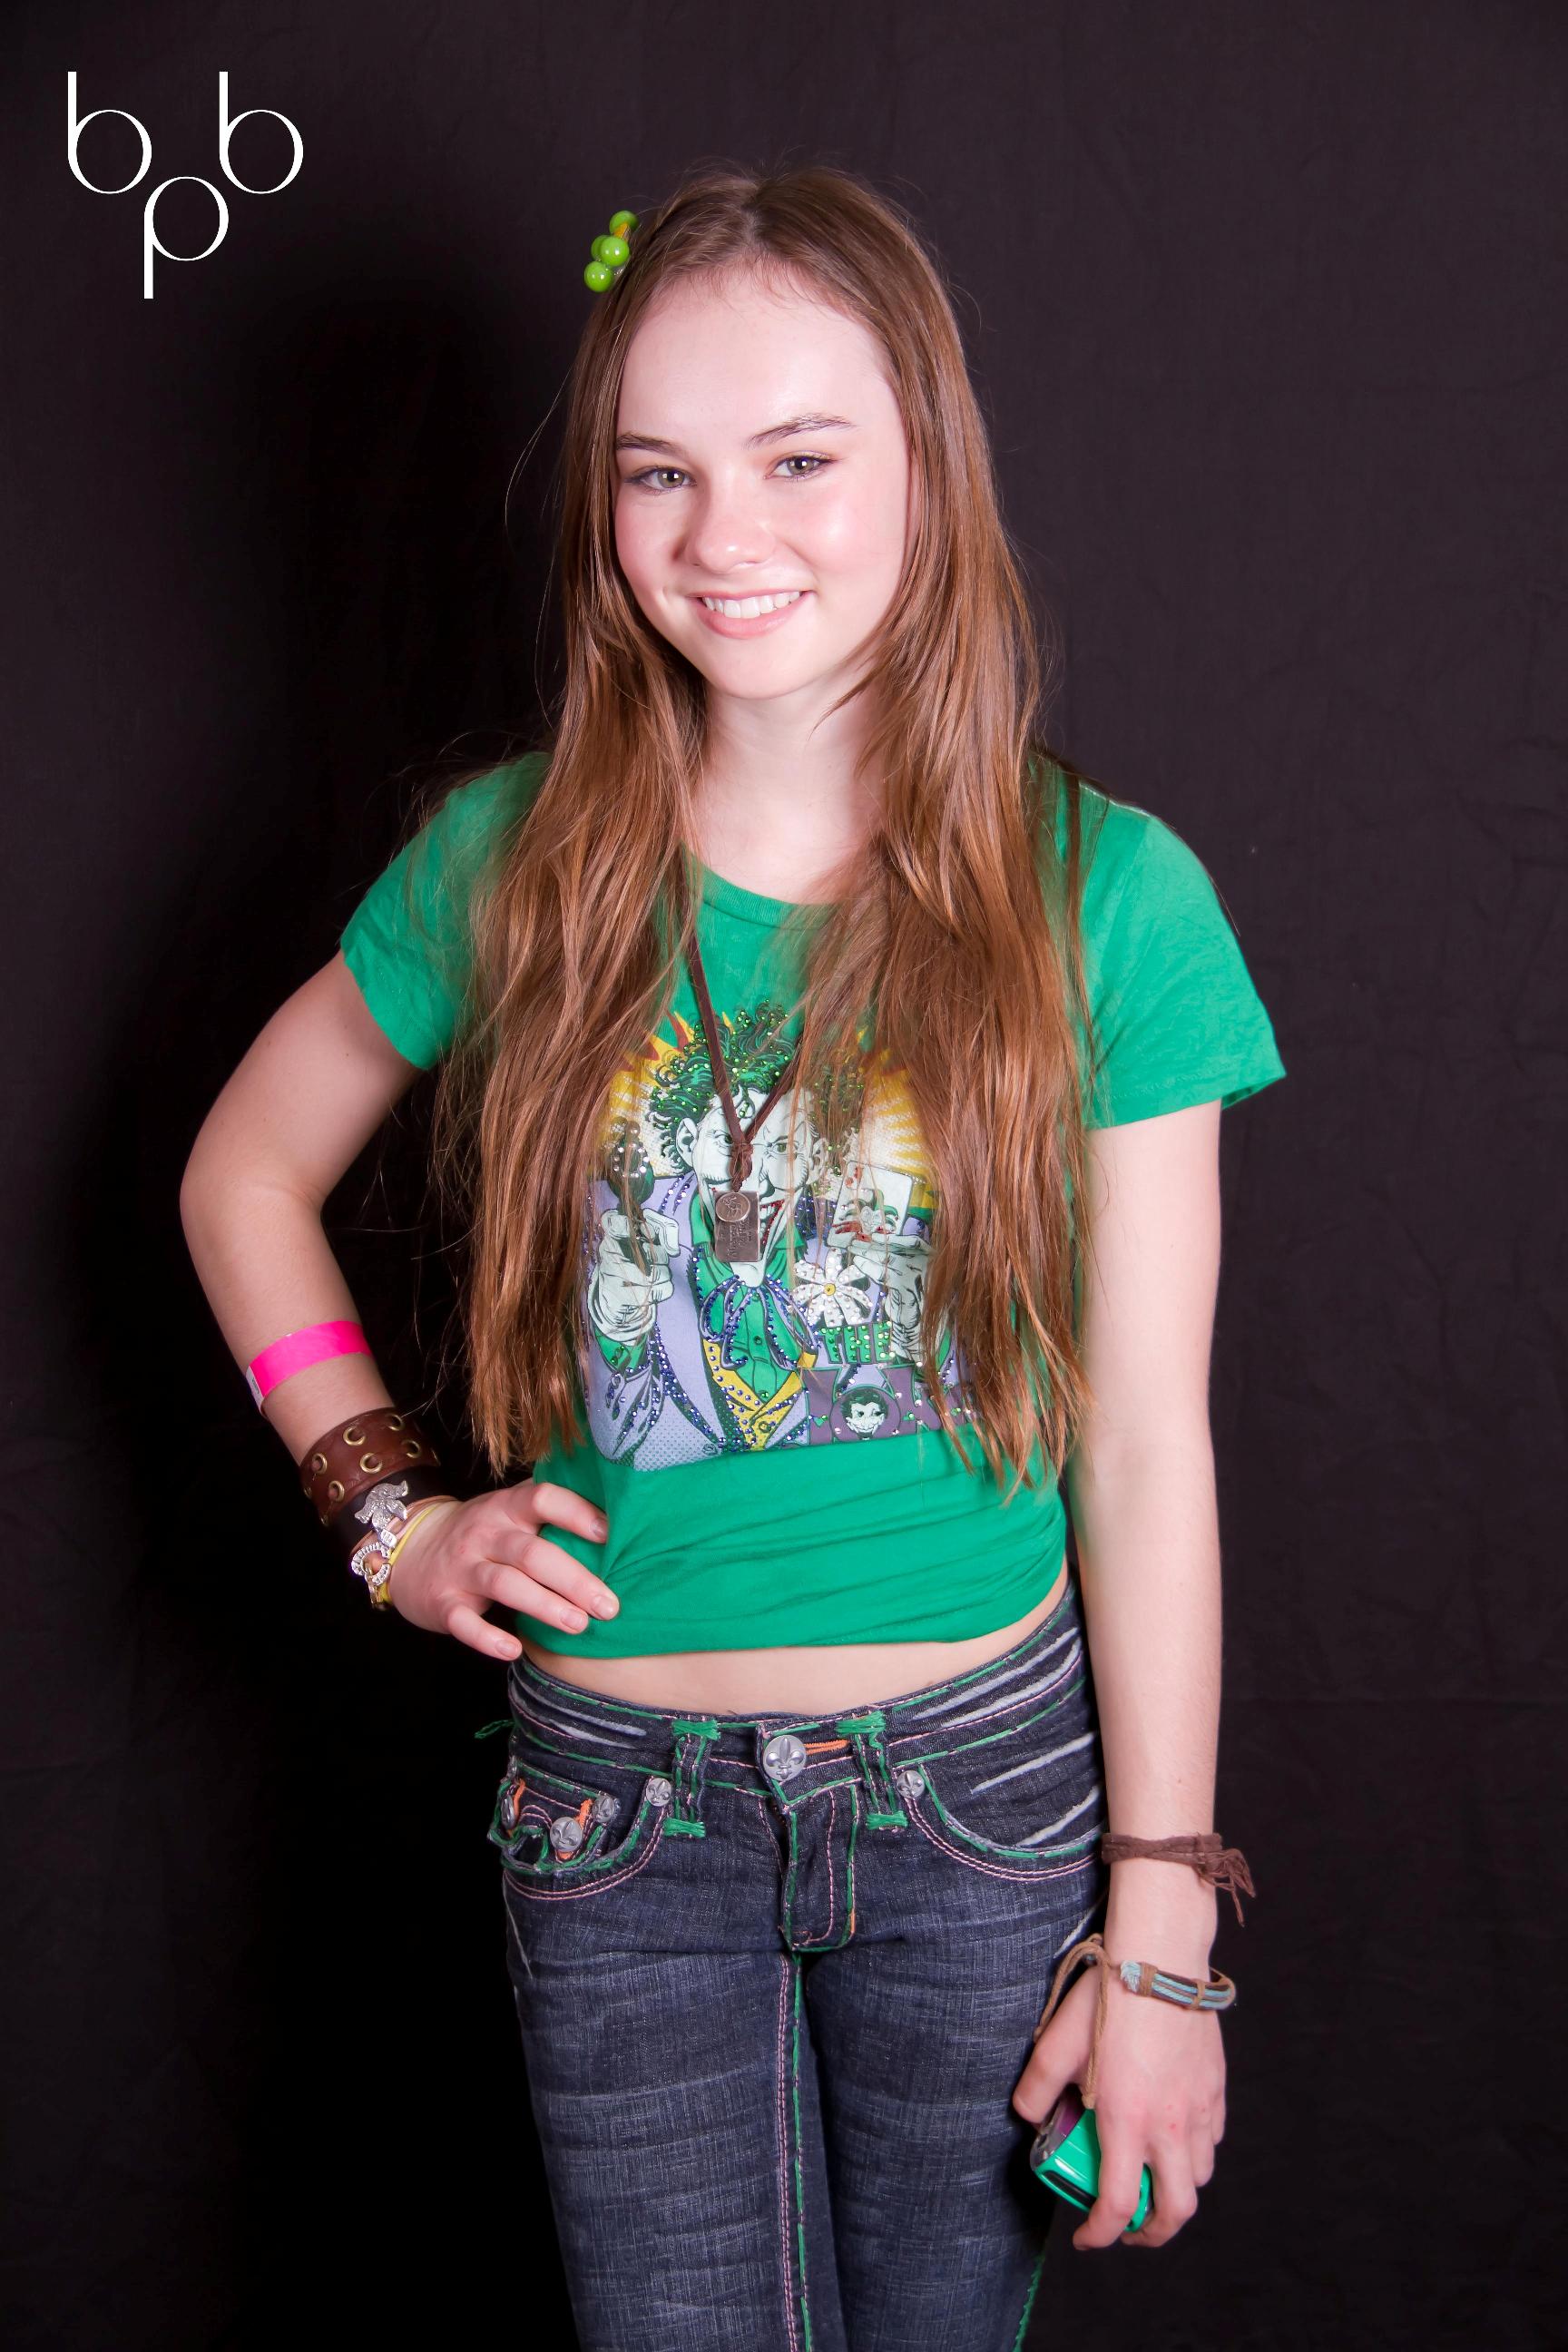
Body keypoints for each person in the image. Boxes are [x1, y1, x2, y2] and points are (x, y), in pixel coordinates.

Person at [180, 162, 1286, 2352]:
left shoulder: (1111, 896)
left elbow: (1148, 1445)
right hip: (614, 1823)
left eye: (798, 459)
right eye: (657, 472)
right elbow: (241, 1179)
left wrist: (1161, 1937)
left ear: (926, 467)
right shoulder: (511, 863)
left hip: (979, 1802)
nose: (721, 535)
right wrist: (386, 1510)